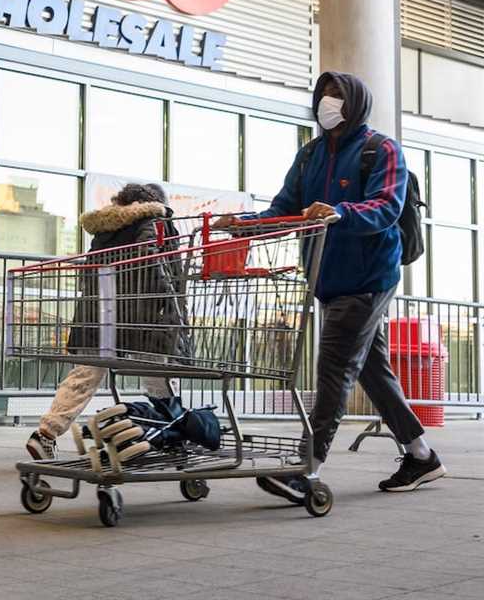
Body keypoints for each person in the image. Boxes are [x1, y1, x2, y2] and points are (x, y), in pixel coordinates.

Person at [217, 71, 445, 500]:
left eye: (336, 94)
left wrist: (341, 212)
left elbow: (385, 206)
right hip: (328, 279)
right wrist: (243, 226)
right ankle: (422, 456)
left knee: (334, 370)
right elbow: (285, 208)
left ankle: (307, 466)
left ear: (354, 101)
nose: (327, 101)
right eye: (323, 94)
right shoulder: (310, 155)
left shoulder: (381, 150)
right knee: (373, 373)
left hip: (368, 278)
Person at [26, 183, 188, 461]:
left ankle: (46, 433)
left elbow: (93, 272)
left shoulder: (105, 228)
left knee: (85, 375)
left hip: (99, 313)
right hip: (143, 315)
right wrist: (174, 315)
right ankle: (172, 434)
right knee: (157, 376)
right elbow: (162, 270)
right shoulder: (157, 221)